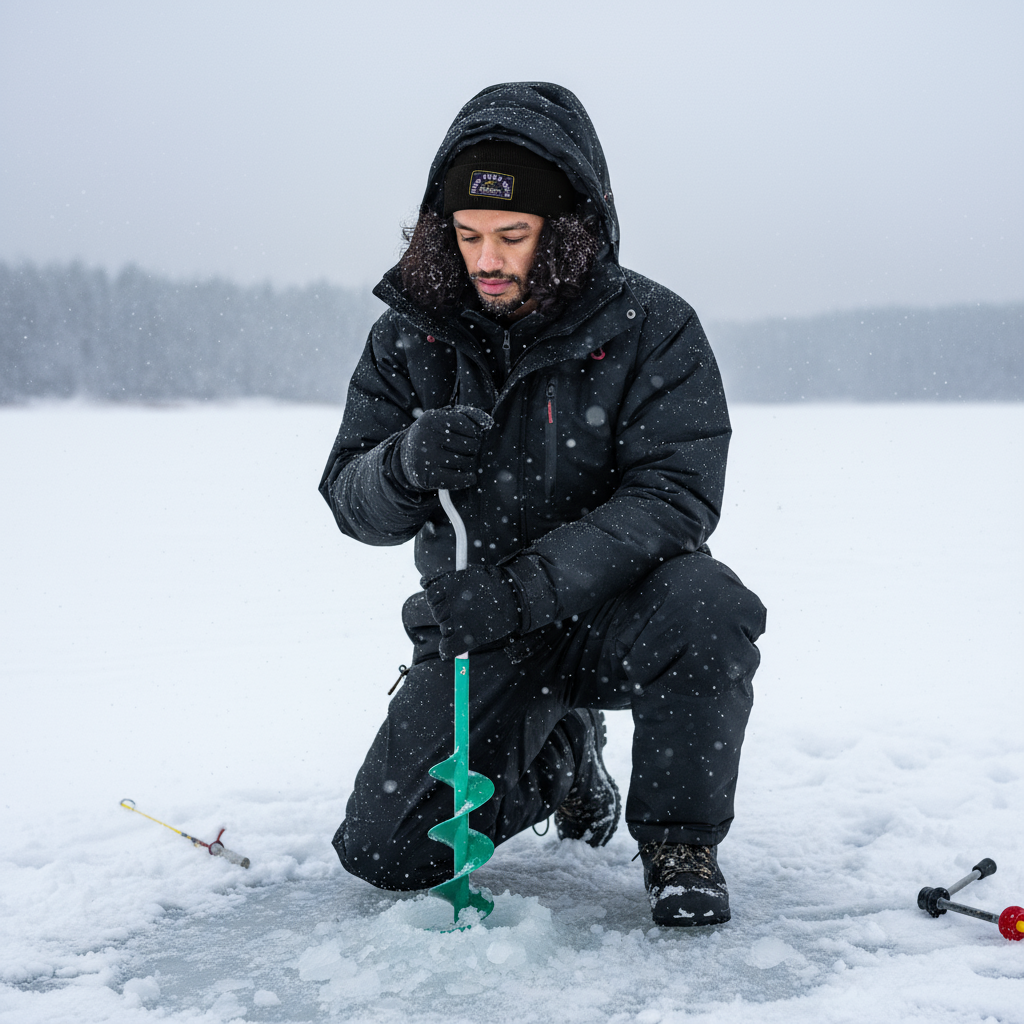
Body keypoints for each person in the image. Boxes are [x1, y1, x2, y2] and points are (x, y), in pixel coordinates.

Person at [319, 82, 766, 926]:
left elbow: (673, 497)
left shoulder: (654, 325)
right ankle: (560, 761)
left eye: (512, 236)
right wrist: (404, 463)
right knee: (386, 851)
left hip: (621, 610)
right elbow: (351, 500)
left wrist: (525, 586)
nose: (486, 258)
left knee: (711, 606)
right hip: (479, 627)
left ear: (564, 232)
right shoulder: (408, 335)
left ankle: (680, 843)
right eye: (468, 234)